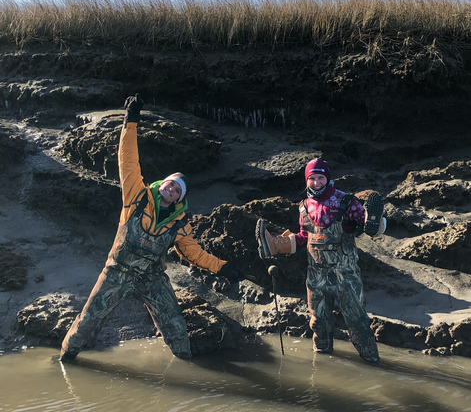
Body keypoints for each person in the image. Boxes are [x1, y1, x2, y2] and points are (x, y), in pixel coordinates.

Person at [60, 94, 245, 362]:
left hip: (151, 278)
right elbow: (127, 161)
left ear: (179, 199)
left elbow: (194, 254)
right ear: (163, 184)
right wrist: (130, 121)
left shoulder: (180, 222)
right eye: (170, 183)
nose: (171, 188)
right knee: (88, 319)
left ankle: (186, 364)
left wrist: (223, 267)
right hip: (117, 272)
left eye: (177, 189)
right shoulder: (137, 195)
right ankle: (66, 357)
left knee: (176, 326)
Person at [255, 158, 386, 363]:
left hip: (346, 277)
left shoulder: (346, 201)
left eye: (321, 178)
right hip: (316, 277)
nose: (316, 182)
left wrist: (371, 223)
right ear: (307, 180)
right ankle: (322, 360)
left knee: (357, 323)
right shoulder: (304, 206)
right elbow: (303, 236)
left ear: (328, 178)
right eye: (312, 178)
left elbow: (363, 226)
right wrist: (277, 245)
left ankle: (373, 362)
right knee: (318, 323)